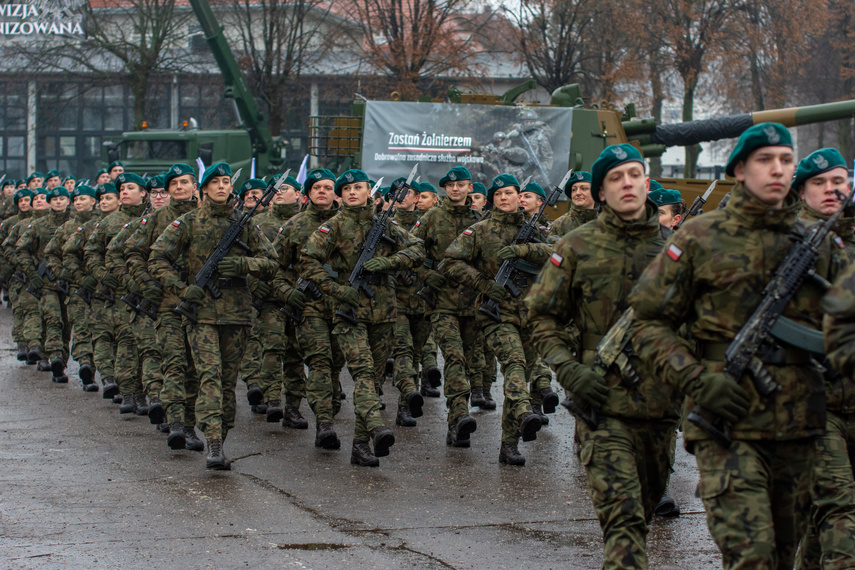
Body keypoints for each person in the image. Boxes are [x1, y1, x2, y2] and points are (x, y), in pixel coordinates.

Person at [629, 123, 849, 568]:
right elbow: (647, 322)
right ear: (740, 170)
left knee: (783, 555)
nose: (777, 169)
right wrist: (695, 379)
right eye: (765, 160)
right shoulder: (699, 237)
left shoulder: (822, 244)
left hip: (799, 426)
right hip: (727, 424)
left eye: (785, 160)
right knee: (752, 556)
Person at [526, 144, 678, 565]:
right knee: (624, 523)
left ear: (647, 183)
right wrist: (567, 368)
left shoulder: (679, 249)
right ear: (600, 193)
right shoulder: (577, 245)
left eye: (634, 174)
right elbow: (541, 316)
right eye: (615, 177)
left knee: (644, 512)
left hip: (661, 407)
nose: (627, 183)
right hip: (600, 404)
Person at [149, 162, 279, 469]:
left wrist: (244, 265)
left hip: (237, 313)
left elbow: (271, 262)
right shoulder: (189, 222)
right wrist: (182, 289)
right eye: (215, 182)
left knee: (227, 381)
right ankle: (214, 443)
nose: (221, 186)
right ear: (204, 189)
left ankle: (221, 433)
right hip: (202, 313)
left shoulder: (245, 223)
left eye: (226, 181)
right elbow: (157, 258)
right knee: (209, 375)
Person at [301, 168, 425, 467]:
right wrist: (335, 289)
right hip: (350, 312)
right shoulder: (333, 226)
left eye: (358, 187)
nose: (353, 192)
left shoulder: (385, 224)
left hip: (384, 311)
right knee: (364, 372)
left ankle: (360, 445)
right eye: (347, 189)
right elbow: (307, 259)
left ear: (369, 192)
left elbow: (417, 248)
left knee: (375, 377)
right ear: (340, 196)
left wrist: (390, 262)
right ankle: (376, 426)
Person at [443, 173, 553, 465]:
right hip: (496, 313)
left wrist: (525, 249)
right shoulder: (480, 230)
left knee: (522, 374)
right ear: (493, 199)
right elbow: (450, 261)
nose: (505, 198)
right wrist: (482, 283)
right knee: (514, 362)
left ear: (519, 197)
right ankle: (524, 412)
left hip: (529, 313)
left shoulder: (534, 230)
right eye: (499, 194)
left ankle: (509, 445)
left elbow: (557, 254)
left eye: (510, 192)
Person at [791, 148, 855, 570]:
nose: (831, 190)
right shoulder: (785, 242)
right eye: (819, 182)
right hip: (813, 404)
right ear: (801, 191)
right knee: (840, 510)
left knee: (823, 519)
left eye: (838, 181)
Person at [125, 163, 202, 448]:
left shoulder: (205, 217)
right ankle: (177, 423)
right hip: (168, 304)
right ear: (168, 190)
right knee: (173, 363)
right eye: (174, 184)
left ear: (194, 186)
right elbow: (132, 252)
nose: (179, 187)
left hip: (202, 305)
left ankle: (190, 425)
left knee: (195, 368)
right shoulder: (156, 219)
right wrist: (146, 283)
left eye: (184, 182)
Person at [411, 166, 485, 447]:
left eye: (461, 185)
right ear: (444, 188)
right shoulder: (431, 217)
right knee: (454, 356)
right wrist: (424, 274)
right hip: (441, 302)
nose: (456, 189)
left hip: (472, 303)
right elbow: (410, 250)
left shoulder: (480, 220)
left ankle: (456, 424)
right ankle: (459, 416)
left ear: (469, 188)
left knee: (468, 361)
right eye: (451, 185)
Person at [272, 168, 344, 449]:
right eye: (316, 187)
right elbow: (274, 267)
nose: (322, 191)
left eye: (328, 187)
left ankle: (330, 411)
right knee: (319, 362)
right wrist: (287, 293)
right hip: (309, 307)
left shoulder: (349, 223)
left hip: (342, 306)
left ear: (336, 193)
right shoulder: (294, 225)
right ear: (308, 193)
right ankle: (324, 423)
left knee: (336, 365)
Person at [85, 173, 150, 415]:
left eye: (130, 188)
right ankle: (129, 393)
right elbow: (91, 252)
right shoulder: (110, 222)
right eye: (122, 188)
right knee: (126, 341)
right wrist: (103, 274)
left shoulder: (152, 219)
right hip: (121, 293)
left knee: (147, 345)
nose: (124, 192)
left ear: (143, 192)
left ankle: (143, 394)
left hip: (148, 290)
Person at [63, 183, 121, 398]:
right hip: (96, 291)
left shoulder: (132, 223)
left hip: (123, 291)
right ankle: (107, 377)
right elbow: (68, 253)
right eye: (102, 198)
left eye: (109, 198)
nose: (104, 202)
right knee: (100, 334)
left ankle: (125, 384)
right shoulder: (90, 227)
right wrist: (82, 278)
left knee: (122, 338)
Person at [44, 184, 99, 390]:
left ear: (93, 201)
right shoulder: (66, 228)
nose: (78, 202)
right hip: (76, 286)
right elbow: (51, 253)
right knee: (80, 325)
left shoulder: (102, 224)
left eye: (82, 198)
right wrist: (62, 273)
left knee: (100, 330)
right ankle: (86, 366)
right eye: (76, 200)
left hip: (101, 286)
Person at [16, 186, 73, 382]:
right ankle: (54, 357)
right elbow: (21, 249)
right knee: (52, 319)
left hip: (70, 282)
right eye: (54, 199)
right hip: (47, 283)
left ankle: (60, 360)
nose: (58, 202)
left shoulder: (75, 224)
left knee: (66, 324)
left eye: (62, 198)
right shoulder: (39, 225)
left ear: (68, 201)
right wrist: (32, 274)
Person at [0, 189, 34, 361]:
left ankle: (36, 346)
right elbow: (4, 248)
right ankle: (22, 344)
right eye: (20, 201)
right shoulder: (10, 223)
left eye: (27, 200)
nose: (24, 203)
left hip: (38, 275)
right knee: (20, 309)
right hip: (17, 274)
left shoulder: (37, 222)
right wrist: (7, 268)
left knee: (37, 311)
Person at [548, 171, 598, 238]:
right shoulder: (558, 225)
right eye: (574, 189)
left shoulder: (607, 224)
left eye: (583, 188)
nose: (577, 193)